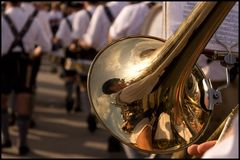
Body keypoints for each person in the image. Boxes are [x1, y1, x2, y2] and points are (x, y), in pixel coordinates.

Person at [1, 1, 51, 155]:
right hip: (25, 63)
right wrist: (35, 51)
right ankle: (22, 143)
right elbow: (46, 46)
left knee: (2, 100)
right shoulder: (33, 19)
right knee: (23, 99)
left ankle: (5, 138)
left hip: (4, 63)